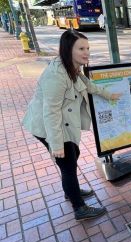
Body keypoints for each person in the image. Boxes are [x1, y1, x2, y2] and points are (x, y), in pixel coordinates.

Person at [22, 30, 121, 221]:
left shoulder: (72, 67)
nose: (86, 53)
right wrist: (56, 144)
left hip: (60, 123)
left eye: (88, 48)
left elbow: (88, 85)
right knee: (67, 163)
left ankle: (71, 190)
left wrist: (109, 95)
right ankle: (79, 207)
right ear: (68, 50)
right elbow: (50, 112)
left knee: (72, 157)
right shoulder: (56, 75)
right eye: (81, 48)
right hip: (48, 126)